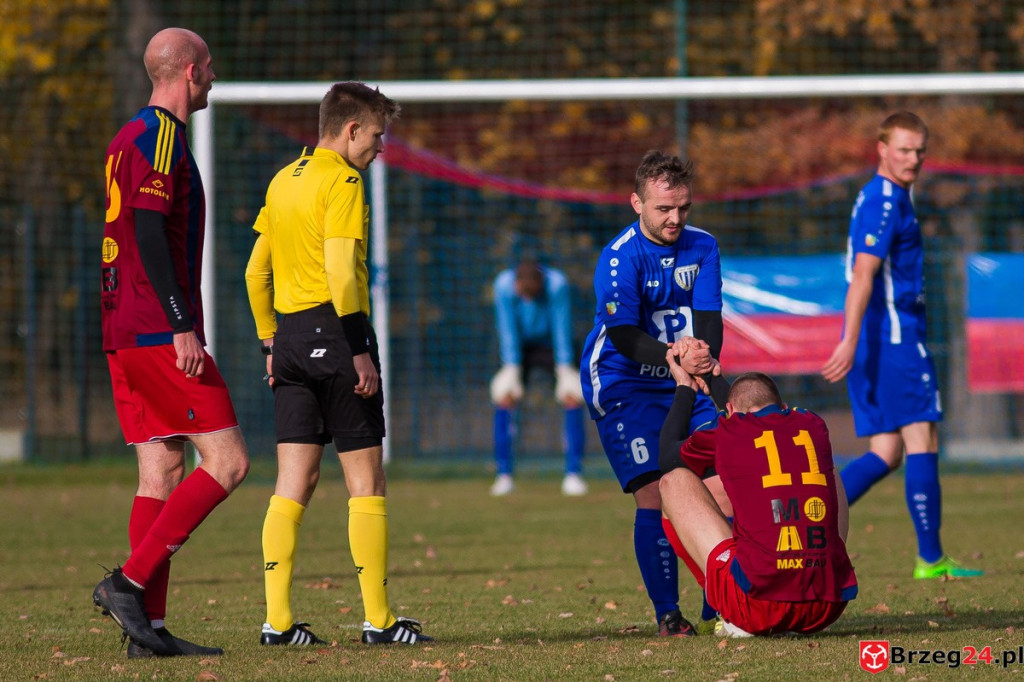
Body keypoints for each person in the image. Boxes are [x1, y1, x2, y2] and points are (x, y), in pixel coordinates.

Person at [245, 81, 432, 646]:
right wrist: (358, 350)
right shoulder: (344, 181)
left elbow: (255, 272)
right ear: (351, 130)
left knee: (291, 484)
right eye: (376, 135)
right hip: (336, 332)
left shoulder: (283, 178)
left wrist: (269, 343)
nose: (381, 147)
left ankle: (277, 623)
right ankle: (379, 620)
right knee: (366, 481)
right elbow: (341, 273)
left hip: (290, 340)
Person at [94, 28, 250, 658]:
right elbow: (149, 232)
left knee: (160, 471)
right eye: (208, 66)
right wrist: (181, 321)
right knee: (229, 462)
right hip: (158, 328)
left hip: (123, 328)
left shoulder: (125, 136)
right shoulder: (160, 135)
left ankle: (148, 632)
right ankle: (127, 584)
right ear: (189, 72)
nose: (213, 76)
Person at [821, 111, 982, 580]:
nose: (913, 159)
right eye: (904, 150)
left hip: (882, 343)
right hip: (894, 341)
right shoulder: (885, 202)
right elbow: (863, 275)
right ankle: (930, 559)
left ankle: (809, 520)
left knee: (886, 452)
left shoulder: (882, 195)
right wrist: (849, 339)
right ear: (882, 149)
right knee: (922, 438)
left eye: (919, 150)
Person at [580, 150, 723, 637]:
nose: (675, 218)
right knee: (654, 493)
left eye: (683, 207)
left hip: (681, 375)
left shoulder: (704, 246)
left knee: (722, 482)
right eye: (664, 208)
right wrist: (676, 358)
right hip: (624, 382)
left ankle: (721, 604)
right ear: (637, 203)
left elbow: (709, 321)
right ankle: (668, 615)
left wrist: (702, 358)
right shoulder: (619, 257)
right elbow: (624, 336)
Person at [659, 351, 858, 637]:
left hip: (757, 606)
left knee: (673, 481)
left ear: (729, 411)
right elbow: (752, 410)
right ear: (783, 407)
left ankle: (724, 610)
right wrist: (713, 376)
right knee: (826, 469)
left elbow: (666, 456)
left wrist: (684, 388)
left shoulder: (728, 430)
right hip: (826, 604)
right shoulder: (812, 422)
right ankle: (809, 584)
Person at [489, 258, 587, 497]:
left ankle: (573, 475)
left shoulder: (557, 285)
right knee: (505, 397)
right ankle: (504, 475)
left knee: (572, 396)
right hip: (518, 348)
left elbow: (562, 326)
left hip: (551, 346)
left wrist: (564, 367)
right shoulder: (503, 286)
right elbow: (506, 327)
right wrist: (512, 367)